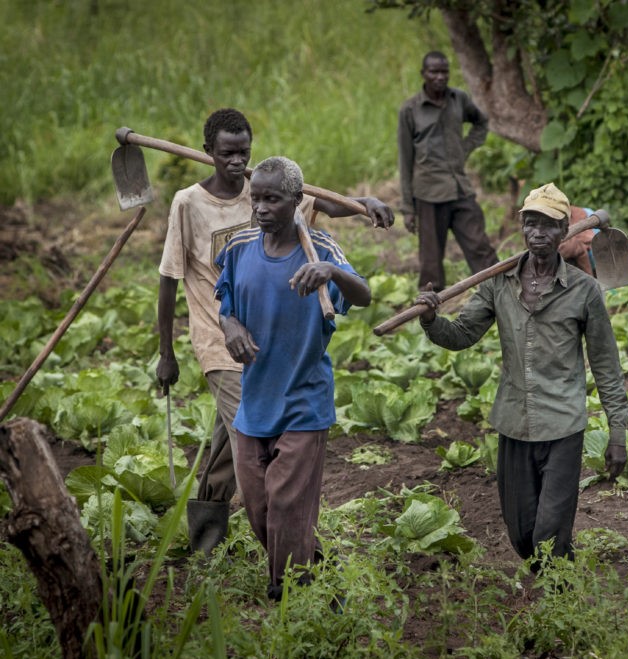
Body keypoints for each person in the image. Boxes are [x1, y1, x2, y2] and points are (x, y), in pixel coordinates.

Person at [156, 108, 392, 555]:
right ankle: (298, 552)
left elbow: (319, 202)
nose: (236, 161)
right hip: (219, 338)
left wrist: (364, 206)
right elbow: (169, 277)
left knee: (235, 438)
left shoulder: (264, 191)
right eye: (227, 153)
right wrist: (166, 351)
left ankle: (208, 536)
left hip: (271, 344)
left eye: (243, 151)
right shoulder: (190, 204)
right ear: (208, 152)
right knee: (249, 436)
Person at [414, 183, 628, 566]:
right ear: (522, 229)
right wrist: (431, 319)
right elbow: (462, 334)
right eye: (530, 224)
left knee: (550, 531)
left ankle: (559, 600)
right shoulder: (499, 283)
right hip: (514, 423)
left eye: (547, 225)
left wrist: (618, 433)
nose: (537, 233)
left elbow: (606, 365)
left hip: (563, 424)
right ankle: (557, 576)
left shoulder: (583, 291)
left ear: (564, 233)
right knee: (523, 534)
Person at [214, 156, 370, 601]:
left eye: (272, 199)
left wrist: (334, 272)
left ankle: (288, 593)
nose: (261, 208)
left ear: (297, 202)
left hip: (304, 400)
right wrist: (231, 327)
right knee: (260, 510)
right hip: (255, 400)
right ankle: (314, 567)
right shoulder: (241, 245)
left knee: (287, 504)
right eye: (256, 198)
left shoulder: (319, 249)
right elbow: (222, 298)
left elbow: (364, 295)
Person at [398, 51, 499, 290]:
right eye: (434, 72)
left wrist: (464, 149)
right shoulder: (410, 110)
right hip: (429, 194)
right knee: (431, 262)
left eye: (444, 71)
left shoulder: (459, 99)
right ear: (424, 74)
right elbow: (405, 160)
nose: (440, 77)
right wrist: (407, 208)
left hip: (460, 189)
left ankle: (502, 294)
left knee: (480, 247)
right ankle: (430, 314)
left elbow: (481, 122)